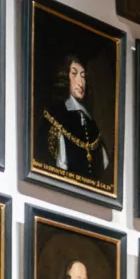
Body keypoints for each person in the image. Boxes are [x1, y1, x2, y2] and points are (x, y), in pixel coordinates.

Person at [38, 55, 107, 184]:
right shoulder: (54, 115)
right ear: (65, 77)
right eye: (74, 74)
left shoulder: (92, 124)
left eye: (83, 76)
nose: (80, 82)